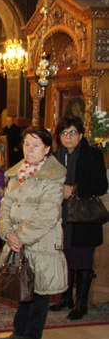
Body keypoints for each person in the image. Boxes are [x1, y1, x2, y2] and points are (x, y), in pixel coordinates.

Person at [0, 126, 67, 339]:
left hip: (42, 243)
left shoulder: (54, 176)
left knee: (39, 293)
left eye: (36, 145)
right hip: (18, 241)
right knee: (22, 287)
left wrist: (20, 236)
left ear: (47, 149)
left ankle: (31, 337)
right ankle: (18, 331)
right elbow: (5, 205)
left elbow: (47, 215)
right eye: (27, 144)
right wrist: (7, 232)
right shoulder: (18, 173)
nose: (30, 149)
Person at [49, 116, 107, 320]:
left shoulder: (93, 155)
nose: (68, 137)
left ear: (81, 135)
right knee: (64, 258)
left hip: (83, 216)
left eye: (73, 132)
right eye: (64, 133)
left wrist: (74, 189)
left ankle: (81, 304)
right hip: (61, 216)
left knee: (82, 259)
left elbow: (101, 186)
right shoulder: (55, 157)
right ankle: (65, 298)